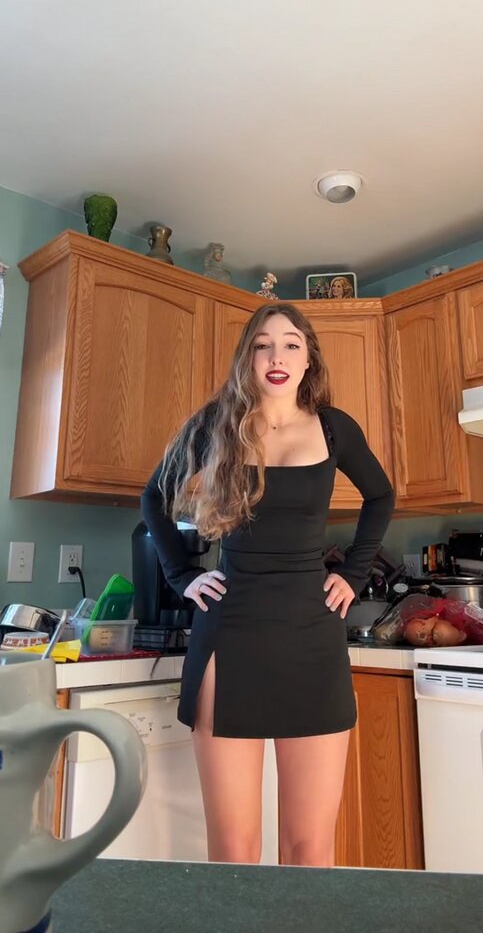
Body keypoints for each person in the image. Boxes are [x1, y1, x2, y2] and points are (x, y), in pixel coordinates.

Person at [141, 303, 394, 868]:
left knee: (309, 847)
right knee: (234, 849)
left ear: (308, 360)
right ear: (247, 358)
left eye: (290, 344)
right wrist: (183, 576)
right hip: (230, 632)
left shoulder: (334, 427)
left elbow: (381, 495)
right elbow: (153, 499)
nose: (276, 356)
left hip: (312, 637)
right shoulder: (214, 423)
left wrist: (354, 573)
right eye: (262, 344)